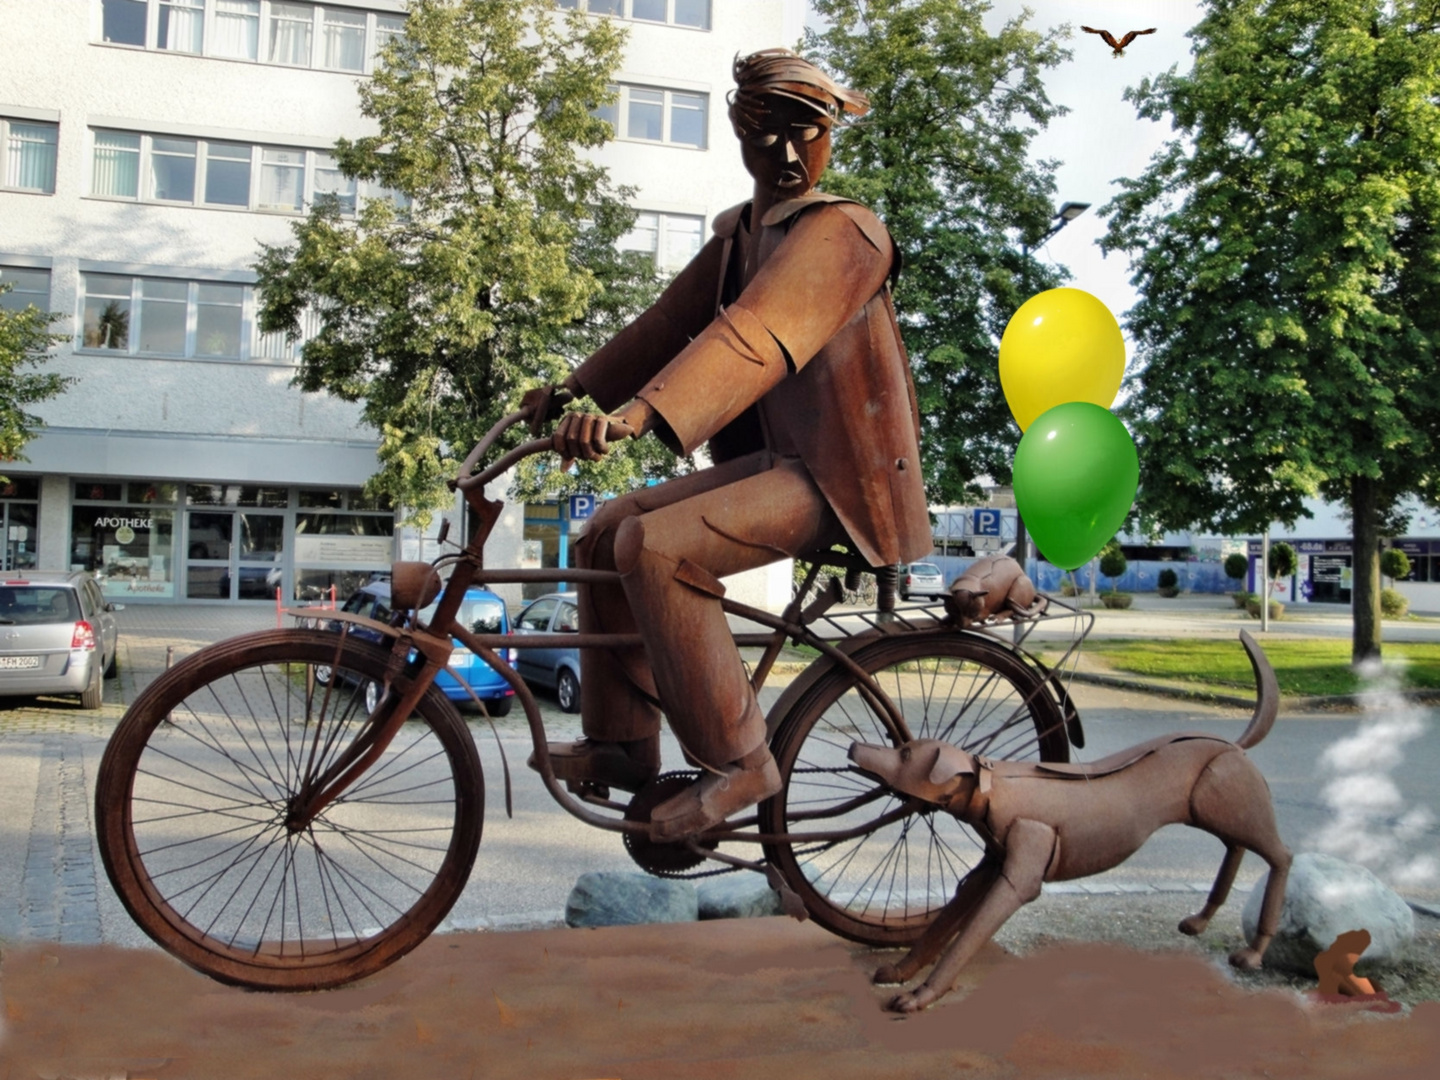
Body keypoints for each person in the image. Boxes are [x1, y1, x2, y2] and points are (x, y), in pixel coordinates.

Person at [524, 49, 933, 841]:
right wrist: (573, 394)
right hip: (780, 466)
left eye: (804, 133)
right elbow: (666, 326)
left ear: (830, 134)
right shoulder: (743, 233)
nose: (783, 154)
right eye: (760, 133)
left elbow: (755, 338)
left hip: (842, 483)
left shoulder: (844, 232)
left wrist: (640, 416)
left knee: (655, 547)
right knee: (601, 534)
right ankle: (622, 747)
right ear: (737, 132)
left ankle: (742, 763)